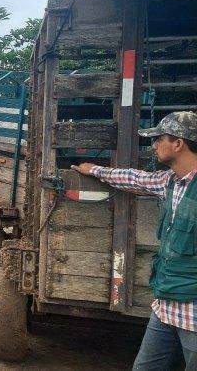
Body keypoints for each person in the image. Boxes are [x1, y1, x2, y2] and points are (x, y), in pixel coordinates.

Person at [71, 111, 197, 369]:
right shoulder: (169, 182)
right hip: (165, 305)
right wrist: (94, 170)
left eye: (159, 139)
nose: (154, 145)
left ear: (178, 143)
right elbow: (134, 178)